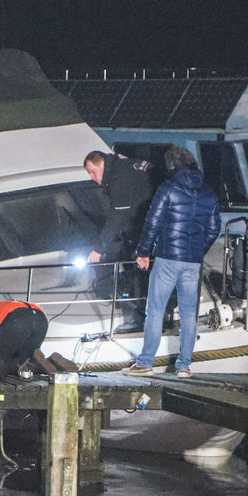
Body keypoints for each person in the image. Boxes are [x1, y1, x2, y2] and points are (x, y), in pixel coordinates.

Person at [122, 146, 220, 378]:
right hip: (192, 262)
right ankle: (184, 366)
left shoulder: (168, 188)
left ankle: (145, 363)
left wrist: (143, 252)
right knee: (188, 314)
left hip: (167, 258)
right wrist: (198, 250)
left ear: (171, 166)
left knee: (155, 310)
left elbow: (152, 222)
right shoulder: (209, 193)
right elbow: (214, 229)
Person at [83, 150, 154, 332]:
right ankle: (154, 313)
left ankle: (142, 320)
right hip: (149, 225)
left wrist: (98, 249)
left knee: (139, 270)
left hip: (149, 229)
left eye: (93, 172)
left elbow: (116, 217)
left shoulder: (119, 178)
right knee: (136, 266)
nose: (92, 177)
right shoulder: (124, 167)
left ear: (101, 165)